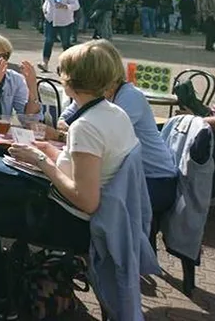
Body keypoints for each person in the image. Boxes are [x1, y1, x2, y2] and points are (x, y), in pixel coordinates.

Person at [0, 42, 140, 321]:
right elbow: (84, 164)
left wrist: (40, 160)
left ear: (70, 79)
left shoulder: (87, 126)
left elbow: (86, 199)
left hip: (75, 222)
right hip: (100, 217)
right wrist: (47, 150)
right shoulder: (112, 113)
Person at [57, 40, 179, 216]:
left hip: (154, 179)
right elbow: (65, 119)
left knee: (71, 191)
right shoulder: (93, 95)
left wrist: (57, 142)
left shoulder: (129, 97)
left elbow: (98, 136)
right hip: (127, 175)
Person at [37, 0, 80, 73]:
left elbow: (76, 6)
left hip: (64, 21)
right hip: (50, 20)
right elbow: (46, 1)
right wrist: (45, 10)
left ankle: (68, 65)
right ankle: (45, 63)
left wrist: (66, 6)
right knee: (48, 41)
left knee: (65, 43)